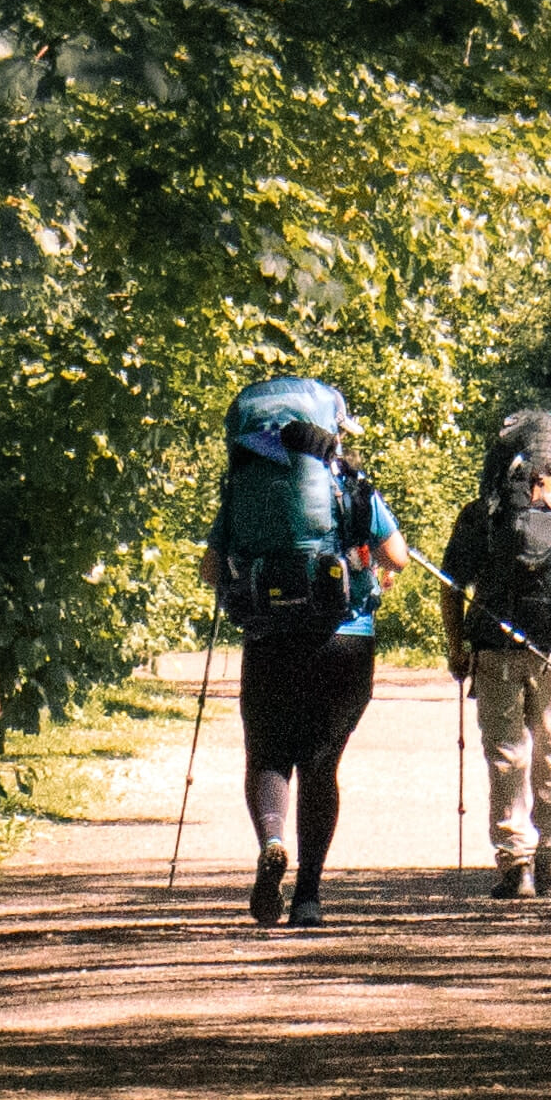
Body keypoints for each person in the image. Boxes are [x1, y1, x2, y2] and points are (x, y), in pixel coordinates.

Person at [205, 373, 411, 931]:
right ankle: (309, 899)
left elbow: (211, 568)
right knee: (321, 765)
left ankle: (272, 840)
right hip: (344, 638)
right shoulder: (345, 481)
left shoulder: (244, 483)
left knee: (268, 755)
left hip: (269, 636)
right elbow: (398, 556)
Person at [436, 407, 551, 901]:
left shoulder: (482, 512)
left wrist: (456, 646)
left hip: (493, 644)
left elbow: (451, 584)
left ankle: (516, 864)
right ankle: (548, 856)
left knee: (506, 754)